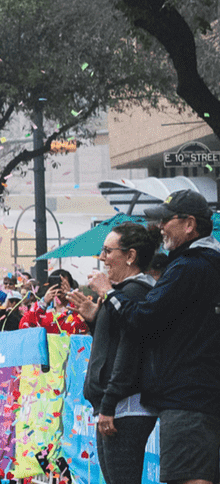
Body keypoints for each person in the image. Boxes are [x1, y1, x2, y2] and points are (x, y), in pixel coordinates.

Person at [86, 190, 220, 484]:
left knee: (189, 477)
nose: (160, 227)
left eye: (165, 219)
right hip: (196, 394)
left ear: (189, 224)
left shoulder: (189, 267)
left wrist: (108, 293)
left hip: (187, 397)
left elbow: (140, 323)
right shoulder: (202, 264)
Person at [69, 222, 162, 484]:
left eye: (108, 251)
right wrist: (94, 320)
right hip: (115, 405)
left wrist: (108, 405)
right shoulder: (121, 296)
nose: (102, 258)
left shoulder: (134, 293)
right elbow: (112, 343)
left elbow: (128, 353)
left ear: (130, 256)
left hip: (125, 407)